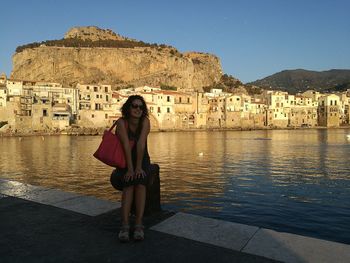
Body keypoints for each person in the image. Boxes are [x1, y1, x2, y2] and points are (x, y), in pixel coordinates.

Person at [114, 95, 151, 242]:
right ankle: (124, 224)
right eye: (134, 106)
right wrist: (130, 169)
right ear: (128, 108)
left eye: (141, 107)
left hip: (143, 159)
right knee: (128, 183)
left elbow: (141, 144)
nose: (138, 109)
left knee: (140, 182)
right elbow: (125, 147)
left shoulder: (145, 122)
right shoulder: (121, 123)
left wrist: (138, 168)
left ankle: (138, 224)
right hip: (125, 159)